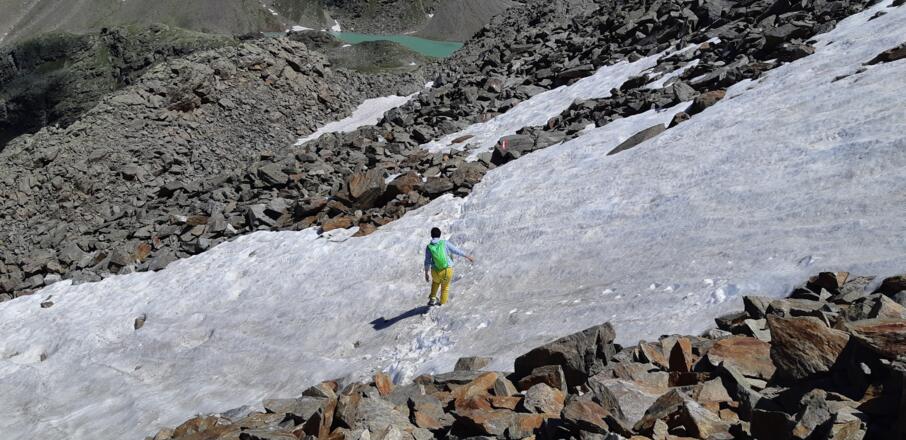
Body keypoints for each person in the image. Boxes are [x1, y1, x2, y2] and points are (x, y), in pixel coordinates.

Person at [424, 227, 474, 306]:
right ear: (439, 235)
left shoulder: (429, 247)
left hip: (435, 271)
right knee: (445, 288)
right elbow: (455, 250)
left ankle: (432, 298)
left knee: (435, 282)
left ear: (431, 235)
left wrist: (426, 273)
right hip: (447, 270)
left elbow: (427, 261)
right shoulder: (444, 243)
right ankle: (442, 304)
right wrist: (467, 256)